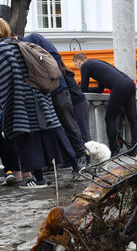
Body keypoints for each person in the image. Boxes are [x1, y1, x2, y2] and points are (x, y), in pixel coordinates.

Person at [0, 18, 79, 189]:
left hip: (20, 101)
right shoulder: (16, 44)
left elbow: (5, 78)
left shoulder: (2, 49)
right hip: (40, 95)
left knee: (27, 140)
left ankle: (39, 179)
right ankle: (77, 166)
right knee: (54, 133)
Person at [22, 33, 88, 165]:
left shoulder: (32, 39)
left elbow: (54, 57)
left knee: (68, 124)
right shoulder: (30, 42)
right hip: (50, 92)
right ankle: (72, 158)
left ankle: (81, 156)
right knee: (62, 127)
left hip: (57, 91)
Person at [73, 53, 137, 156]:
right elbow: (100, 89)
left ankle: (113, 150)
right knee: (133, 118)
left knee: (110, 118)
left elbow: (83, 88)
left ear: (78, 61)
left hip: (119, 86)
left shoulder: (85, 65)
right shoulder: (97, 63)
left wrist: (75, 89)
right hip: (129, 83)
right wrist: (90, 90)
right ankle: (134, 150)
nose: (78, 68)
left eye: (76, 66)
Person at [61, 61, 91, 142]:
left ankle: (88, 153)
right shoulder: (66, 72)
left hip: (78, 103)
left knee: (83, 132)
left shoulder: (62, 75)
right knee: (83, 132)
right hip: (80, 102)